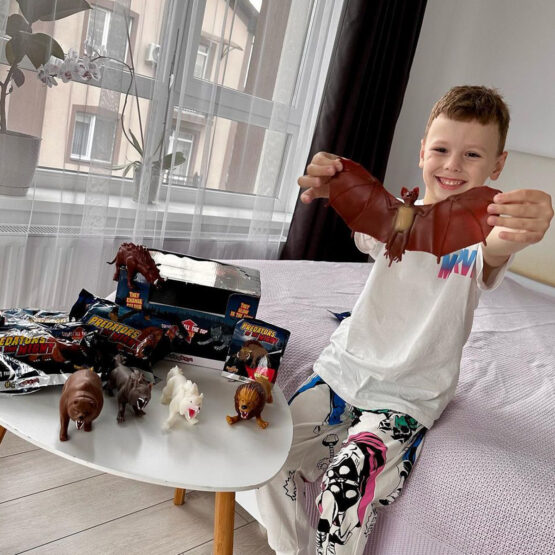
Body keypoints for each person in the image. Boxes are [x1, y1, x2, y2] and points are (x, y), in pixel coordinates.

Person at [255, 86, 554, 555]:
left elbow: (500, 245)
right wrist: (333, 175)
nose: (452, 165)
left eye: (472, 154)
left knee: (343, 488)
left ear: (497, 166)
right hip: (344, 367)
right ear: (422, 152)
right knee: (266, 456)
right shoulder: (394, 217)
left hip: (407, 394)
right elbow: (359, 206)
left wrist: (525, 227)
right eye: (441, 149)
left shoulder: (480, 237)